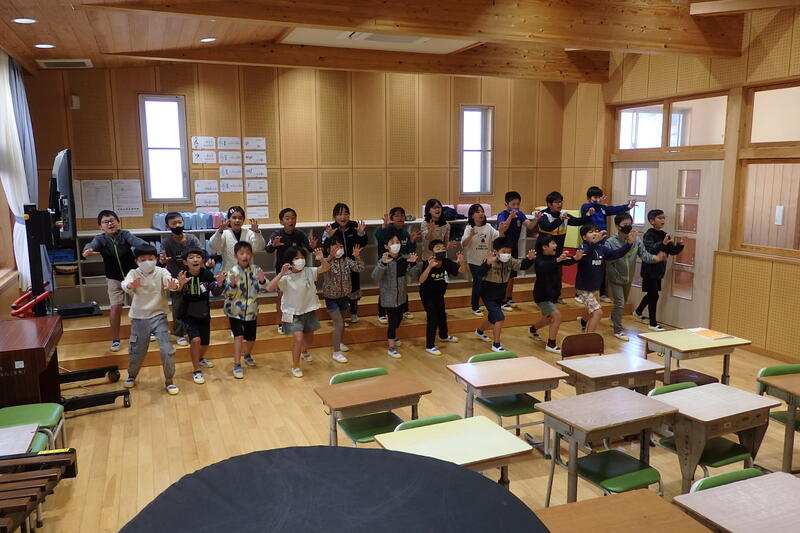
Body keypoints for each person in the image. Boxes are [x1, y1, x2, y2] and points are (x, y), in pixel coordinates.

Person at [82, 210, 147, 353]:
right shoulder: (100, 239)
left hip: (131, 276)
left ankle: (147, 332)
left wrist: (145, 247)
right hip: (113, 278)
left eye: (112, 220)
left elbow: (137, 242)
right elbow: (92, 245)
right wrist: (87, 250)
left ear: (118, 222)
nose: (110, 224)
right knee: (115, 307)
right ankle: (116, 340)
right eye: (105, 222)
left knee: (139, 305)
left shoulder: (125, 235)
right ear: (100, 226)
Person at [120, 244, 180, 394]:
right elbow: (125, 284)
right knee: (137, 350)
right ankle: (132, 375)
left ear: (156, 259)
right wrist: (130, 285)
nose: (147, 261)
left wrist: (174, 285)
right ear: (136, 261)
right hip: (139, 318)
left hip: (159, 316)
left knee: (167, 349)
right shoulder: (133, 273)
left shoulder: (162, 271)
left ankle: (169, 380)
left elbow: (170, 281)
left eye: (150, 258)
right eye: (143, 259)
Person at [267, 246, 329, 378]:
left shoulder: (309, 271)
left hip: (309, 310)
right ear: (290, 261)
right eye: (296, 258)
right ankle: (295, 366)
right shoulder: (286, 277)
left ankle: (304, 351)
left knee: (309, 340)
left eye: (302, 257)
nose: (300, 260)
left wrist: (322, 259)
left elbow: (325, 268)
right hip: (292, 313)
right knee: (298, 339)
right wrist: (281, 274)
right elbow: (269, 288)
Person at [606, 214, 666, 341]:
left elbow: (644, 255)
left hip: (628, 278)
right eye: (625, 225)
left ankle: (613, 318)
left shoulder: (637, 240)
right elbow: (609, 259)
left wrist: (656, 258)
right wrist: (628, 244)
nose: (628, 227)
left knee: (621, 303)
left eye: (630, 224)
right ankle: (618, 330)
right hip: (615, 278)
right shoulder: (610, 242)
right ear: (617, 227)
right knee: (620, 303)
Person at [474, 237, 535, 353]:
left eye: (509, 252)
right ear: (496, 251)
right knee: (499, 317)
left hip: (500, 293)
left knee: (492, 318)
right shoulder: (489, 259)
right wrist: (487, 263)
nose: (506, 254)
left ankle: (479, 331)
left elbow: (522, 266)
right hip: (488, 293)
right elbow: (480, 273)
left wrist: (529, 259)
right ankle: (496, 345)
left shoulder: (510, 260)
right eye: (504, 251)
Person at [174, 248, 226, 384]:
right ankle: (196, 370)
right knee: (195, 340)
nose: (195, 259)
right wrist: (180, 285)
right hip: (188, 315)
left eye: (198, 257)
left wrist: (220, 283)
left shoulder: (207, 274)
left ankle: (199, 358)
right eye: (191, 257)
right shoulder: (183, 275)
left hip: (204, 314)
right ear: (185, 262)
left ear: (202, 260)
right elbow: (176, 294)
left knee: (205, 344)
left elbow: (216, 292)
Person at [574, 224, 636, 334]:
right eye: (591, 232)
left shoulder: (602, 248)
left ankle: (583, 321)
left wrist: (629, 244)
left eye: (596, 231)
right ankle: (587, 338)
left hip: (595, 287)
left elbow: (616, 254)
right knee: (597, 312)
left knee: (592, 310)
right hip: (584, 288)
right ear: (584, 237)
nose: (594, 233)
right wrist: (594, 243)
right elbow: (586, 254)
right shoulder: (583, 247)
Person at [265, 208, 318, 335]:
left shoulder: (300, 234)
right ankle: (280, 323)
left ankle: (299, 320)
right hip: (283, 271)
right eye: (287, 218)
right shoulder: (277, 234)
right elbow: (268, 249)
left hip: (298, 270)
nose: (291, 221)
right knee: (281, 297)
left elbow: (309, 249)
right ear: (281, 221)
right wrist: (273, 245)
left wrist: (312, 246)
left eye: (293, 218)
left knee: (297, 295)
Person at [579, 186, 636, 302]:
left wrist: (628, 206)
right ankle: (581, 293)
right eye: (595, 197)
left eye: (599, 197)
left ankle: (601, 292)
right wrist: (596, 203)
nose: (598, 199)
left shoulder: (602, 208)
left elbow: (614, 209)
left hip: (602, 241)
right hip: (590, 242)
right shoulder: (586, 207)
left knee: (601, 267)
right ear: (589, 198)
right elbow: (586, 209)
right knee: (588, 267)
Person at [371, 229, 422, 359]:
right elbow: (375, 277)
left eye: (397, 242)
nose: (395, 244)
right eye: (392, 242)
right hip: (388, 298)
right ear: (386, 246)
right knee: (393, 322)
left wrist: (413, 263)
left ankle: (393, 335)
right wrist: (383, 264)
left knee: (399, 319)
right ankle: (391, 347)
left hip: (401, 297)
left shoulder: (403, 259)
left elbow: (414, 275)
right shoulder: (383, 259)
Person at [528, 234, 583, 353]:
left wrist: (575, 258)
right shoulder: (539, 259)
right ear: (544, 247)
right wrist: (557, 260)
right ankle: (551, 344)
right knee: (557, 317)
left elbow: (566, 262)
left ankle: (532, 329)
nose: (556, 245)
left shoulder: (556, 256)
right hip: (542, 295)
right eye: (553, 243)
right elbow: (543, 266)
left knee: (547, 319)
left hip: (553, 294)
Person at [222, 241, 268, 379]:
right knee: (239, 336)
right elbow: (227, 294)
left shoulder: (256, 269)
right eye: (242, 253)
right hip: (235, 312)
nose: (245, 256)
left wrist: (262, 281)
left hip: (251, 311)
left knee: (251, 338)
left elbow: (264, 288)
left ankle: (247, 355)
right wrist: (232, 285)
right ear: (236, 255)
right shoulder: (232, 272)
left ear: (251, 255)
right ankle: (237, 364)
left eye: (248, 253)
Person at [159, 212, 205, 347]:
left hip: (192, 277)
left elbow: (202, 252)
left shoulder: (192, 239)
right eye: (174, 223)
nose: (178, 225)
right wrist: (162, 260)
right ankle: (179, 334)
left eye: (180, 222)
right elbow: (161, 259)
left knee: (194, 305)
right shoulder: (166, 242)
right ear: (168, 226)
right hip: (175, 280)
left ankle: (194, 332)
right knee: (178, 306)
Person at [635, 209, 684, 331]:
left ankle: (638, 311)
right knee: (654, 295)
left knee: (652, 294)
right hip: (649, 269)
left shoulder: (664, 234)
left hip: (659, 270)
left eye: (663, 218)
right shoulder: (648, 234)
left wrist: (680, 245)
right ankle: (652, 323)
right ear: (652, 221)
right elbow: (649, 250)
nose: (663, 220)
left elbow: (672, 251)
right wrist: (662, 243)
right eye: (660, 218)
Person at [321, 237, 364, 364]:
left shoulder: (346, 261)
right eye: (335, 246)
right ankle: (336, 352)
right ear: (329, 249)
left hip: (344, 296)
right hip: (331, 298)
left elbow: (360, 268)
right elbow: (322, 268)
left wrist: (357, 256)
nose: (339, 249)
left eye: (340, 246)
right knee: (339, 323)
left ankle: (340, 342)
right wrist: (329, 257)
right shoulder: (327, 262)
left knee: (343, 322)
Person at [461, 203, 509, 317]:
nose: (481, 214)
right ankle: (475, 307)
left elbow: (499, 238)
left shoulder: (488, 227)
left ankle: (490, 304)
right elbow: (463, 244)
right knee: (478, 283)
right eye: (477, 212)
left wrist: (501, 231)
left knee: (486, 284)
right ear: (472, 215)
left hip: (487, 262)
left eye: (482, 211)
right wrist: (471, 235)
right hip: (474, 262)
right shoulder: (469, 228)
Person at [418, 240, 466, 355]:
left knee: (442, 315)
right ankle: (430, 345)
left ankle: (443, 336)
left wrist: (462, 262)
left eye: (443, 249)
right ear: (432, 252)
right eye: (438, 249)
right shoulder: (427, 263)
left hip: (439, 294)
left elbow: (462, 271)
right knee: (432, 318)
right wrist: (429, 267)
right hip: (427, 295)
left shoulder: (447, 262)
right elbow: (421, 280)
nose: (442, 251)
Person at [322, 203, 368, 323]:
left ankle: (353, 311)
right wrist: (329, 237)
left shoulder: (354, 226)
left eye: (346, 213)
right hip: (336, 264)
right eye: (339, 214)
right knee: (338, 286)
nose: (343, 217)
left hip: (351, 261)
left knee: (354, 286)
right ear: (334, 216)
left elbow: (362, 243)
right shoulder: (330, 228)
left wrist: (361, 233)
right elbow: (325, 248)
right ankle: (340, 316)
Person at [375, 206, 420, 323]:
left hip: (400, 262)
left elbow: (408, 250)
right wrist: (384, 227)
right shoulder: (387, 230)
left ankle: (405, 310)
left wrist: (412, 241)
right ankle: (382, 313)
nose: (400, 218)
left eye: (402, 215)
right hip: (386, 262)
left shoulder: (404, 232)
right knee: (385, 289)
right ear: (391, 218)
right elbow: (378, 237)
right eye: (396, 215)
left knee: (402, 286)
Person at [496, 191, 539, 310]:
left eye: (518, 204)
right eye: (513, 204)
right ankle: (501, 300)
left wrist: (536, 219)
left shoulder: (520, 214)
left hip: (514, 247)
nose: (515, 207)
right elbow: (503, 228)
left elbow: (530, 226)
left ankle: (509, 298)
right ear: (506, 204)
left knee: (512, 275)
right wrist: (510, 217)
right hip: (503, 249)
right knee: (503, 274)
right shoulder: (503, 215)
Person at [209, 206, 266, 272]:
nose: (237, 220)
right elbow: (214, 246)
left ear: (243, 220)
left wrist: (257, 232)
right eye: (234, 218)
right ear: (229, 220)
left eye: (240, 218)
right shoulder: (224, 233)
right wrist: (220, 231)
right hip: (229, 272)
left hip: (246, 272)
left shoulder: (249, 233)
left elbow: (259, 248)